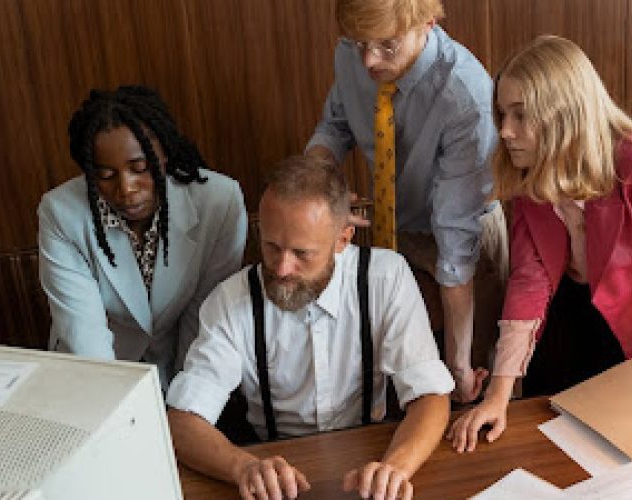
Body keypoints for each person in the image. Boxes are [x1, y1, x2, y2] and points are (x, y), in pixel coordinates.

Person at [448, 36, 632, 452]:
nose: (505, 131)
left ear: (564, 114)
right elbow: (529, 282)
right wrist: (497, 394)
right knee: (558, 442)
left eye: (521, 116)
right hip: (566, 313)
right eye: (501, 114)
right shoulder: (527, 167)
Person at [167, 156, 453, 500]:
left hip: (370, 460)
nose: (282, 268)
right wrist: (242, 467)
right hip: (276, 476)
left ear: (343, 239)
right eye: (272, 246)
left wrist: (395, 470)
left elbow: (430, 395)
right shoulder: (230, 300)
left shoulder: (386, 277)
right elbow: (182, 422)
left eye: (302, 253)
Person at [305, 0, 507, 404]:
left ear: (427, 24)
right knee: (403, 381)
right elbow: (334, 126)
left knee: (470, 393)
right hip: (392, 227)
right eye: (358, 43)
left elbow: (455, 254)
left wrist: (459, 367)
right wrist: (323, 190)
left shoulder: (465, 96)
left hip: (466, 244)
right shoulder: (353, 53)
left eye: (386, 47)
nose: (368, 61)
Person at [38, 85, 247, 386]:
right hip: (95, 373)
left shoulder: (219, 201)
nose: (126, 188)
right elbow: (84, 335)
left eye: (140, 168)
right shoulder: (61, 213)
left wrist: (183, 400)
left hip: (181, 360)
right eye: (106, 176)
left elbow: (204, 316)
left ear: (164, 155)